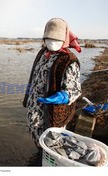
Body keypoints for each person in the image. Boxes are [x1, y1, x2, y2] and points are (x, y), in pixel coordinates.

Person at [23, 18, 82, 146]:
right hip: (35, 105)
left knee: (52, 140)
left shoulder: (68, 60)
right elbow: (34, 76)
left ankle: (50, 158)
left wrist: (64, 96)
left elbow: (75, 90)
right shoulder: (43, 53)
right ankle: (40, 151)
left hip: (53, 110)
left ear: (64, 40)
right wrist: (28, 97)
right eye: (48, 39)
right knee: (36, 134)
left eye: (57, 40)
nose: (52, 43)